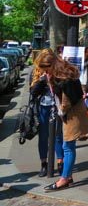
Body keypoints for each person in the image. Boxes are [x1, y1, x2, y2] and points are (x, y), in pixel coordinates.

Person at [44, 57, 88, 192]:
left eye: (46, 70)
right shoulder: (68, 77)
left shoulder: (63, 81)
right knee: (68, 146)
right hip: (75, 113)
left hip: (72, 115)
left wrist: (50, 83)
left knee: (68, 146)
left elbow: (65, 103)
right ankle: (67, 176)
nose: (45, 73)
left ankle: (64, 179)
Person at [30, 49, 64, 177]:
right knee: (43, 136)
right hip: (43, 107)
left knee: (58, 136)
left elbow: (62, 89)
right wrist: (42, 81)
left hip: (57, 107)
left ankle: (60, 161)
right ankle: (44, 164)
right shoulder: (38, 73)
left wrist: (53, 80)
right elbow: (33, 92)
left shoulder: (58, 72)